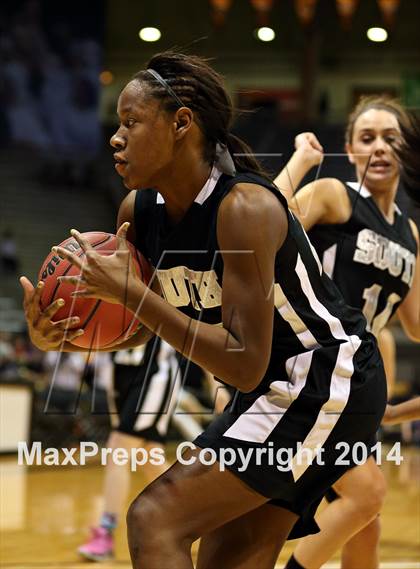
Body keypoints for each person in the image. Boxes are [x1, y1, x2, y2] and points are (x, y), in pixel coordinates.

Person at [21, 52, 387, 569]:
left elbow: (242, 361)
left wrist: (132, 294)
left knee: (154, 518)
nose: (114, 137)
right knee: (226, 559)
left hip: (324, 380)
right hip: (272, 387)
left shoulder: (245, 210)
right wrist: (61, 337)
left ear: (181, 124)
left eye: (131, 122)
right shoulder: (139, 211)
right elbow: (146, 327)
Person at [274, 96, 419, 569]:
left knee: (366, 527)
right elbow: (256, 221)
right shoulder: (336, 194)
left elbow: (415, 325)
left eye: (390, 138)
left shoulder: (411, 234)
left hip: (357, 382)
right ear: (351, 149)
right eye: (367, 138)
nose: (379, 147)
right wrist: (301, 164)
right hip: (311, 368)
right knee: (367, 494)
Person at [78, 337, 181, 562]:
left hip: (155, 371)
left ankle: (105, 532)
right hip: (118, 371)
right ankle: (201, 516)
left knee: (118, 449)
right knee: (148, 456)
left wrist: (216, 384)